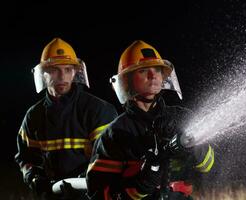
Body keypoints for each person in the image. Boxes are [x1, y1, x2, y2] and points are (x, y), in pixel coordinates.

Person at [86, 40, 215, 200]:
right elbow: (98, 194)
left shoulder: (181, 118)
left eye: (158, 70)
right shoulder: (114, 134)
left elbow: (212, 169)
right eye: (143, 70)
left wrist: (194, 147)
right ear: (127, 80)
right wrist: (139, 185)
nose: (153, 75)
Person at [15, 38, 118, 199]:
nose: (62, 76)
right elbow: (25, 157)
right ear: (43, 73)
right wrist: (33, 177)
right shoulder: (33, 116)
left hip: (91, 193)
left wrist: (83, 183)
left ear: (76, 72)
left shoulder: (98, 110)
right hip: (52, 194)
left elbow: (110, 158)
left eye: (68, 69)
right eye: (55, 70)